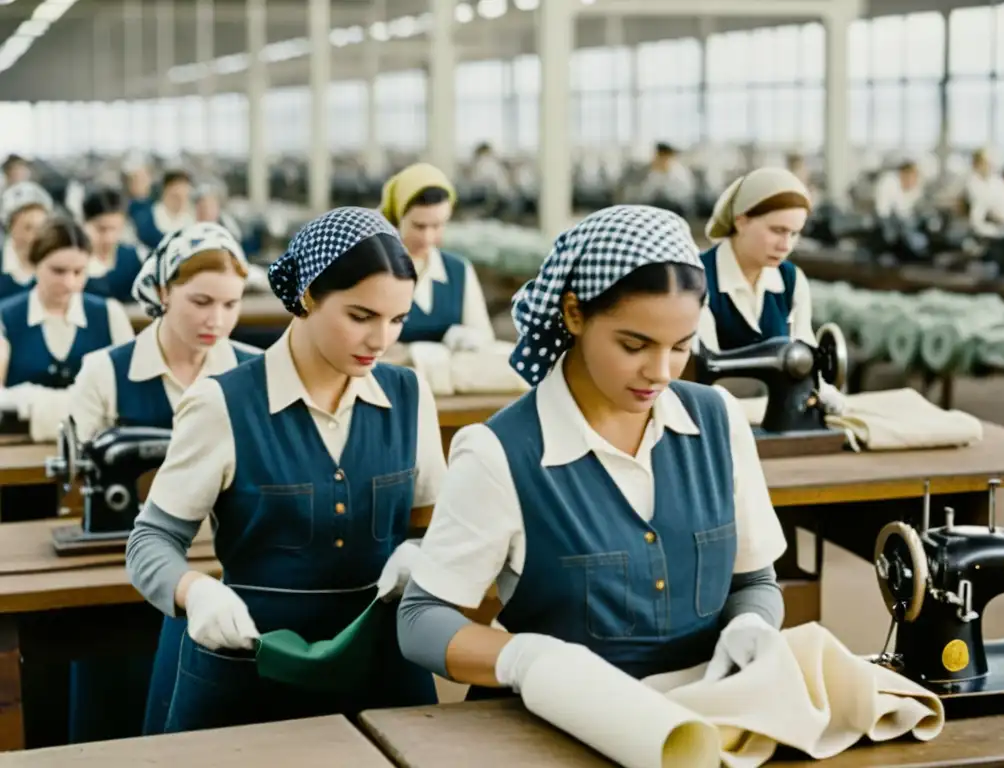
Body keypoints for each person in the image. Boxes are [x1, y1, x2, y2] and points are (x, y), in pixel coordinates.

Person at [396, 205, 787, 697]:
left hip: (700, 715)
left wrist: (751, 627)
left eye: (681, 346)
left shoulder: (718, 421)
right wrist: (525, 658)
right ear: (574, 313)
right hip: (557, 725)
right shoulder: (502, 454)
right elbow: (420, 621)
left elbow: (754, 581)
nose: (661, 372)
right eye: (634, 345)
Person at [125, 207, 445, 734]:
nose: (380, 340)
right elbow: (150, 542)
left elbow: (431, 524)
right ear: (307, 295)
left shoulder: (409, 397)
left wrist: (422, 554)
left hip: (379, 669)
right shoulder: (221, 404)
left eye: (397, 320)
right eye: (361, 316)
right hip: (251, 667)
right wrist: (195, 591)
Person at [64, 222, 259, 744]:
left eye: (231, 304)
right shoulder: (103, 372)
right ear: (164, 290)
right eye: (200, 302)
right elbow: (75, 480)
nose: (216, 320)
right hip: (124, 572)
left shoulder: (253, 373)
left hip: (226, 577)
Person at [0, 217, 134, 522]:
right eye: (58, 271)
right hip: (20, 465)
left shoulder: (110, 313)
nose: (70, 282)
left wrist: (33, 404)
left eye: (79, 272)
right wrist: (83, 405)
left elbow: (129, 390)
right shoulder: (5, 318)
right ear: (35, 264)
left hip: (98, 463)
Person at [697, 167, 817, 354]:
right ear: (741, 222)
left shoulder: (791, 280)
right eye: (777, 230)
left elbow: (806, 355)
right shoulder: (697, 277)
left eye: (794, 234)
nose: (786, 246)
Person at [379, 163, 494, 346]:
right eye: (419, 226)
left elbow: (484, 339)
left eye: (437, 225)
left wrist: (467, 339)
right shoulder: (376, 269)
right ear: (398, 218)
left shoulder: (459, 271)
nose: (428, 237)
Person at [81, 186, 147, 303]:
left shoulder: (133, 259)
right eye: (101, 229)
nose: (109, 238)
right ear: (85, 224)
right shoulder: (75, 264)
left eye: (115, 229)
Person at [0, 181, 53, 300]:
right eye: (28, 228)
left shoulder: (55, 263)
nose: (36, 235)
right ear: (10, 227)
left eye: (42, 227)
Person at [128, 169, 195, 250]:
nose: (181, 199)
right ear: (166, 190)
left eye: (185, 194)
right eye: (176, 195)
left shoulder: (190, 220)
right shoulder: (147, 215)